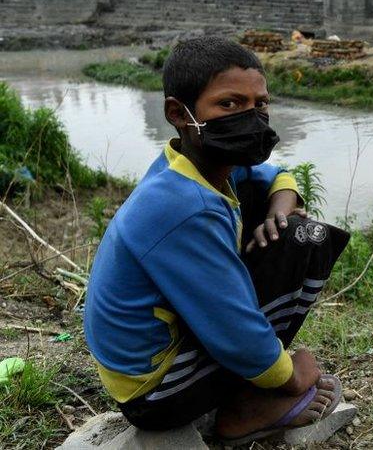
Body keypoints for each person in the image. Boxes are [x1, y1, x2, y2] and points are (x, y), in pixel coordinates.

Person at [84, 37, 349, 445]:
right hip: (155, 394)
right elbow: (231, 327)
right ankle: (246, 406)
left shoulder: (194, 166)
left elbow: (278, 177)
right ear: (179, 113)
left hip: (151, 369)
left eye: (259, 104)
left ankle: (251, 379)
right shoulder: (184, 208)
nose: (251, 117)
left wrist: (279, 209)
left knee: (289, 225)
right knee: (305, 237)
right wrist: (290, 376)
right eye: (229, 105)